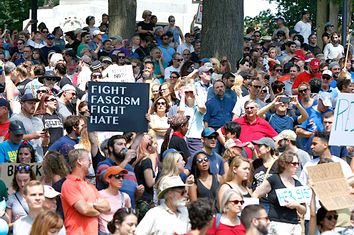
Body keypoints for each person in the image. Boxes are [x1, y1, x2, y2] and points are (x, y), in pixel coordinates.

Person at [253, 151, 306, 235]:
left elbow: (303, 210)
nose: (297, 166)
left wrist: (297, 205)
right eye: (294, 163)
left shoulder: (298, 184)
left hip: (294, 225)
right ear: (285, 164)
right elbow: (255, 194)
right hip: (276, 223)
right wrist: (257, 214)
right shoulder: (274, 179)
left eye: (298, 164)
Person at [61, 149, 111, 235]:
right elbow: (84, 209)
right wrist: (99, 211)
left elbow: (107, 207)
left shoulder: (89, 185)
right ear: (79, 162)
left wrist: (92, 205)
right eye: (88, 159)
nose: (91, 162)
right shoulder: (69, 184)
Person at [99, 166, 131, 235]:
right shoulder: (99, 195)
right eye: (117, 176)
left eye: (122, 177)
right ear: (108, 179)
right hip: (104, 232)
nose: (121, 179)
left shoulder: (125, 197)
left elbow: (129, 215)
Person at [6, 164, 36, 228]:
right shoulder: (11, 198)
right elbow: (7, 226)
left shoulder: (39, 196)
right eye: (19, 180)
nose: (22, 184)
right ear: (15, 180)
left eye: (25, 180)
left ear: (31, 179)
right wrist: (16, 223)